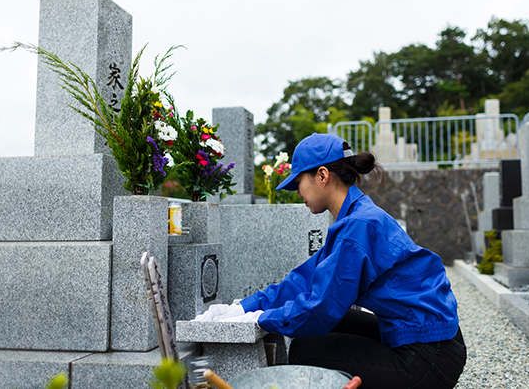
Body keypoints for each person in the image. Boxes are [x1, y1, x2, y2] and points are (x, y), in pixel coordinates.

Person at [199, 133, 466, 389]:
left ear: (322, 175)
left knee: (308, 350)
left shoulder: (356, 226)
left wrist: (260, 320)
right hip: (425, 337)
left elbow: (321, 307)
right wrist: (243, 307)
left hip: (429, 357)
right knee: (323, 329)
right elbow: (303, 280)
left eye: (298, 182)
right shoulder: (355, 216)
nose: (297, 192)